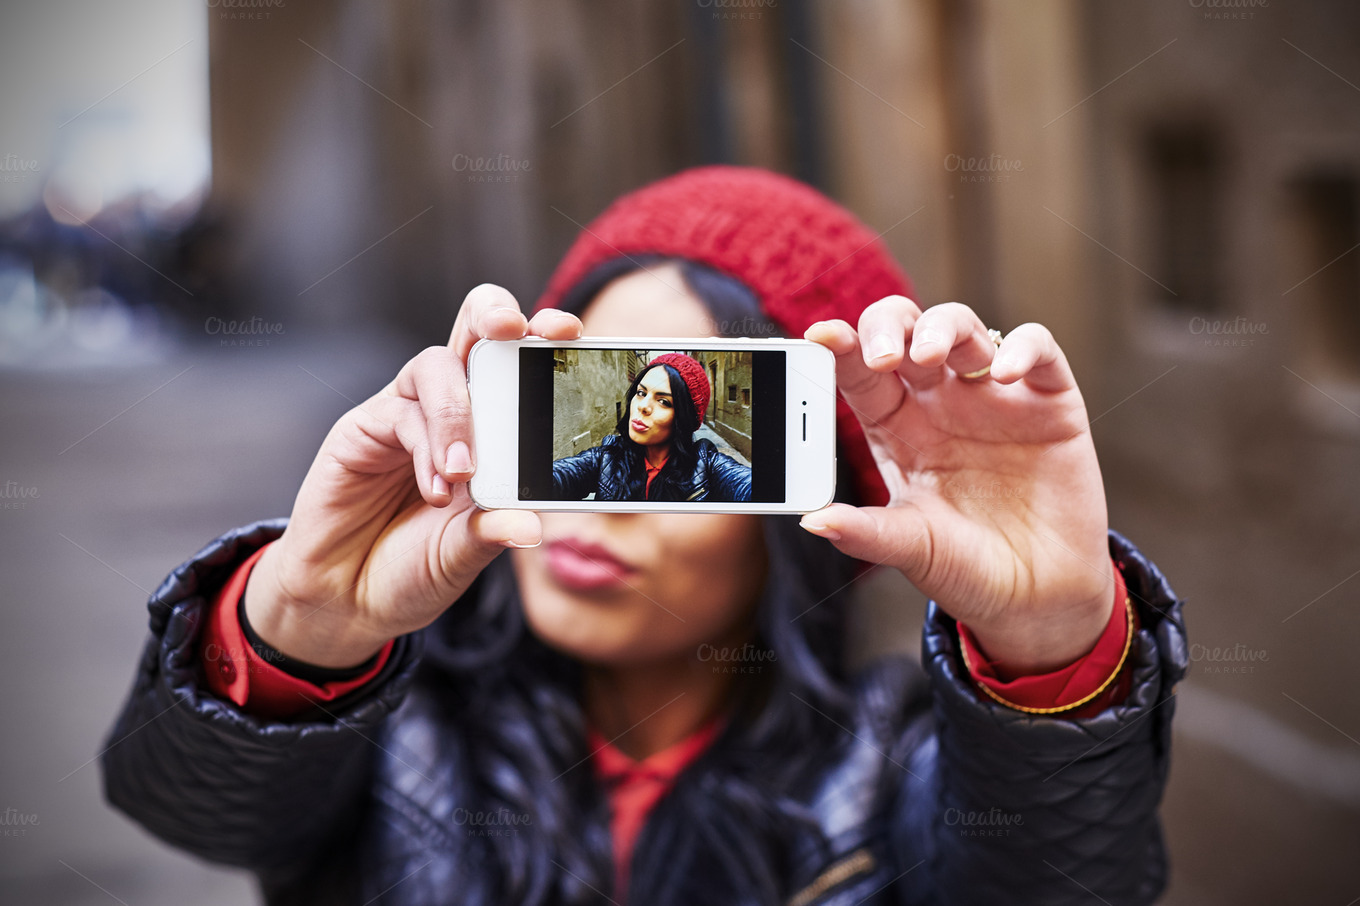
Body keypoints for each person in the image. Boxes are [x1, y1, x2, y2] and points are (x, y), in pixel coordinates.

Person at [102, 166, 1187, 906]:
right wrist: (297, 629)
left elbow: (1066, 875)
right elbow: (181, 801)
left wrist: (1052, 641)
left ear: (809, 515)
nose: (609, 496)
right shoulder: (389, 730)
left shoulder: (891, 765)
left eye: (692, 411)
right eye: (593, 399)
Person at [550, 351, 753, 502]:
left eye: (664, 401)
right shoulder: (607, 457)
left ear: (684, 418)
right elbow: (556, 477)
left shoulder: (706, 464)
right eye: (641, 393)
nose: (643, 406)